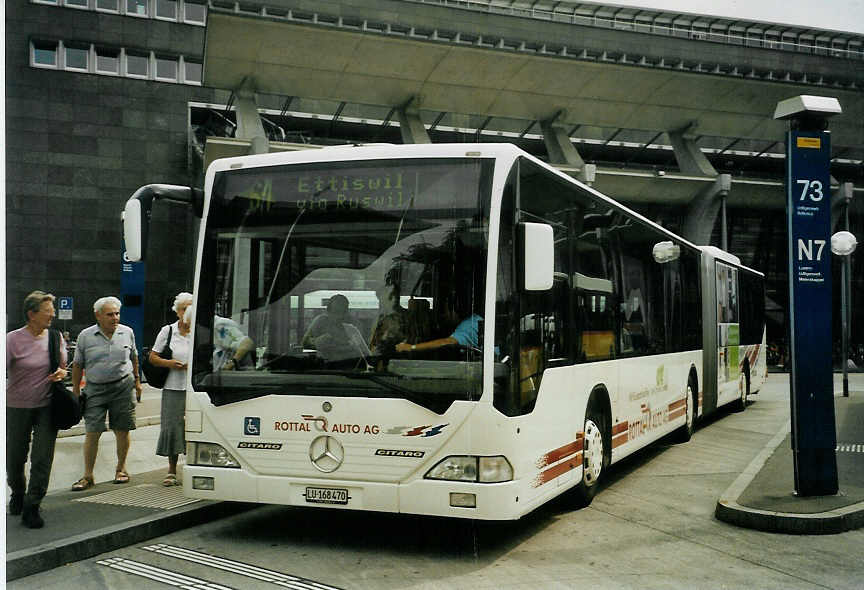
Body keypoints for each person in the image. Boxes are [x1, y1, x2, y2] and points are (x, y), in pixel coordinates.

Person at [6, 291, 68, 528]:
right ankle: (18, 493)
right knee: (14, 457)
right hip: (17, 406)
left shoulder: (55, 337)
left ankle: (32, 505)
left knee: (42, 457)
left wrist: (61, 373)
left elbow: (63, 367)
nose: (52, 314)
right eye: (47, 311)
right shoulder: (12, 340)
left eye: (52, 310)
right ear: (32, 314)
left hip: (46, 406)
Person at [70, 296, 142, 491]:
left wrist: (137, 381)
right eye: (110, 314)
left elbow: (134, 357)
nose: (115, 318)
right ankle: (87, 475)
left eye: (117, 313)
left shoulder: (127, 332)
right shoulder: (85, 336)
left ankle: (121, 469)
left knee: (122, 429)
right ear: (98, 315)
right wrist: (76, 391)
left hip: (122, 387)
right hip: (95, 389)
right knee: (92, 431)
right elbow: (77, 365)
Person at [149, 292, 193, 486]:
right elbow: (152, 357)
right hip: (173, 386)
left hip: (195, 388)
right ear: (177, 312)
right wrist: (169, 363)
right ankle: (172, 470)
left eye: (191, 308)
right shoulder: (168, 331)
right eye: (184, 308)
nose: (187, 312)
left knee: (196, 427)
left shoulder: (199, 331)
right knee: (172, 427)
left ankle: (194, 466)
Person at [302, 294, 369, 362]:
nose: (339, 316)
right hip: (323, 366)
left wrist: (348, 347)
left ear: (346, 312)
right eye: (335, 312)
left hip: (349, 366)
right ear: (328, 311)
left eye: (342, 312)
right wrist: (316, 342)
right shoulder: (320, 321)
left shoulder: (353, 326)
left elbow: (365, 352)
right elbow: (305, 343)